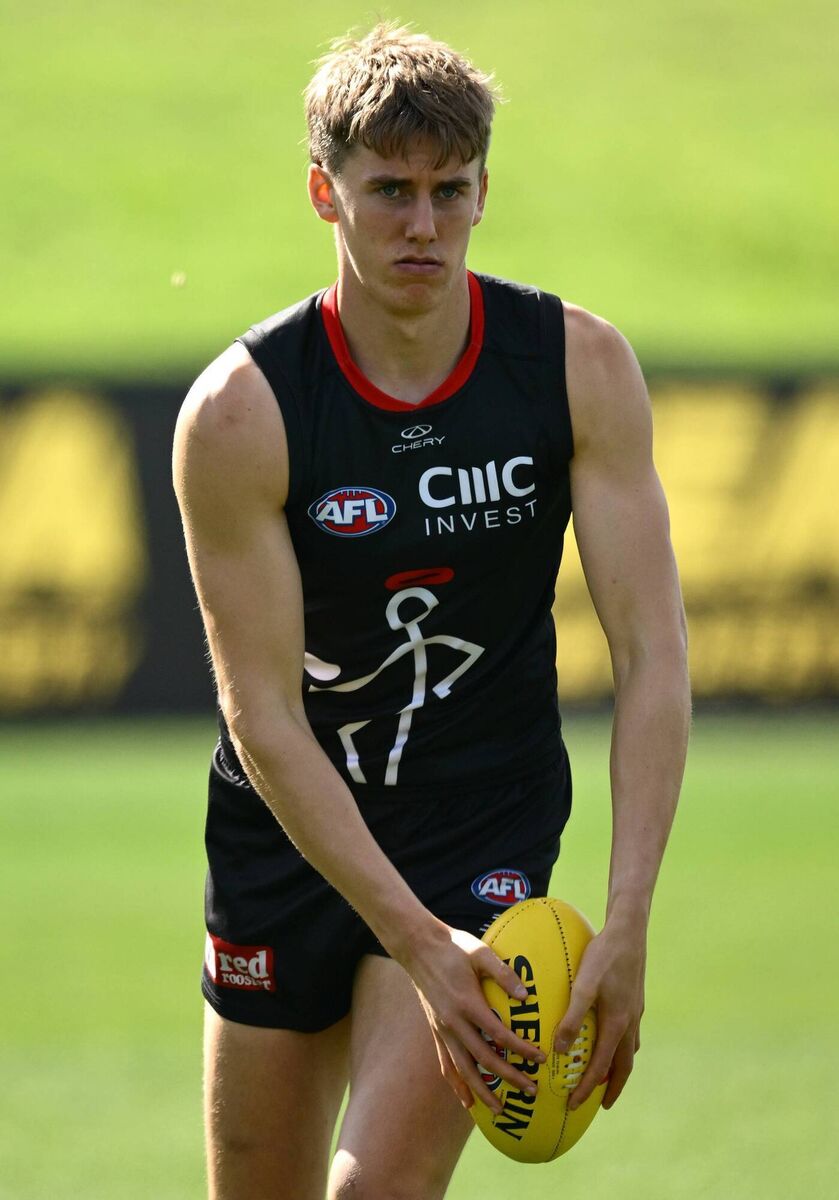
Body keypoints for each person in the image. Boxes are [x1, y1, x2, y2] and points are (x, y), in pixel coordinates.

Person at [173, 22, 690, 1200]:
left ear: (482, 192)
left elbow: (653, 653)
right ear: (324, 193)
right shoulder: (242, 414)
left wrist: (625, 918)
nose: (421, 224)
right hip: (288, 830)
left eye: (448, 192)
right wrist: (408, 940)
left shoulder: (574, 368)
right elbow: (259, 711)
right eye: (388, 191)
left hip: (481, 827)